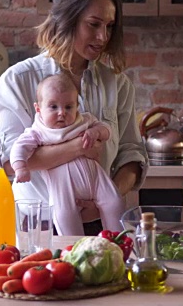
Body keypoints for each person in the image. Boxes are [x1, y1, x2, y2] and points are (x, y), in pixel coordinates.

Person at [0, 0, 148, 234]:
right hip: (40, 227)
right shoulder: (17, 80)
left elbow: (132, 154)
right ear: (66, 20)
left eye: (109, 26)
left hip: (103, 223)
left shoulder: (117, 84)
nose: (102, 36)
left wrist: (105, 196)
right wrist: (78, 147)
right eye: (94, 24)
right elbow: (8, 161)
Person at [10, 74, 125, 235]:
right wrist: (20, 167)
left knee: (115, 202)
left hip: (97, 179)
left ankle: (117, 241)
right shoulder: (38, 131)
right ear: (38, 109)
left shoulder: (84, 120)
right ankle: (72, 249)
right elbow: (18, 148)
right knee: (64, 215)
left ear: (77, 106)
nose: (62, 113)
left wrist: (95, 132)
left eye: (68, 107)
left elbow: (107, 130)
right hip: (63, 187)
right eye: (53, 107)